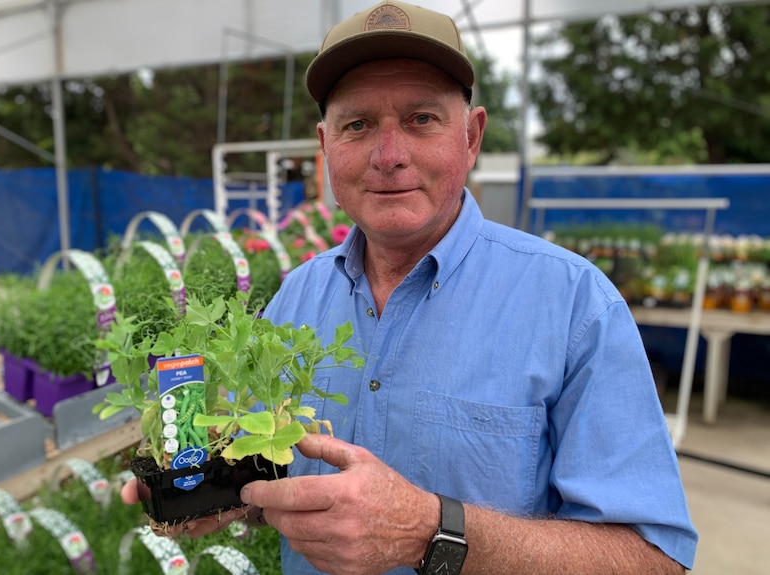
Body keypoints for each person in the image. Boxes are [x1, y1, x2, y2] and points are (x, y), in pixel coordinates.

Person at [123, 1, 698, 573]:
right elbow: (266, 465)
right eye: (358, 125)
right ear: (325, 146)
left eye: (422, 119)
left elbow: (654, 559)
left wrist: (431, 530)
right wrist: (219, 494)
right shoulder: (296, 296)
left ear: (471, 138)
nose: (388, 156)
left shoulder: (575, 305)